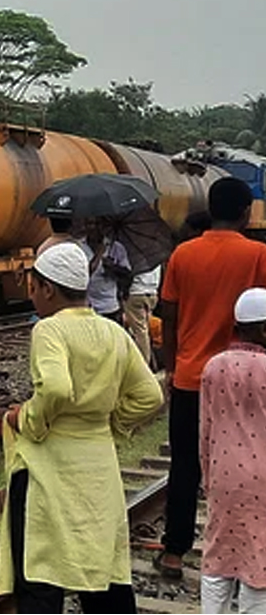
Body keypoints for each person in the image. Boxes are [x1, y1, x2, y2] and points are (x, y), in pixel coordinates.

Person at [0, 243, 163, 613]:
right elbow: (150, 394)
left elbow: (55, 388)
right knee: (102, 567)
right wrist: (113, 421)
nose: (32, 294)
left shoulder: (49, 330)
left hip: (49, 468)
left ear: (48, 289)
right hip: (98, 468)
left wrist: (27, 420)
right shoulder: (112, 332)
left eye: (33, 286)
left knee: (40, 569)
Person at [156, 177, 266, 581]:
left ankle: (173, 553)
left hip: (190, 377)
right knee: (250, 462)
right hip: (244, 379)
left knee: (184, 464)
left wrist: (172, 365)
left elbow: (168, 314)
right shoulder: (259, 254)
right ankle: (248, 553)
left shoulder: (183, 254)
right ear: (245, 212)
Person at [198, 287, 266, 614]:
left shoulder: (213, 367)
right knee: (258, 562)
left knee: (217, 556)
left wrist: (208, 478)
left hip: (223, 479)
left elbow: (205, 431)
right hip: (262, 482)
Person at [78, 220, 131, 324]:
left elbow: (127, 275)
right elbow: (82, 275)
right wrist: (99, 254)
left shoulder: (116, 248)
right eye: (90, 224)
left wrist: (113, 268)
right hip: (87, 306)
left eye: (98, 224)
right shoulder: (80, 247)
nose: (94, 228)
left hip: (110, 306)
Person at [124, 262, 161, 367]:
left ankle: (144, 364)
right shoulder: (154, 255)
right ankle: (152, 361)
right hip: (153, 292)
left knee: (140, 331)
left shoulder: (134, 255)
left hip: (136, 292)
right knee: (146, 329)